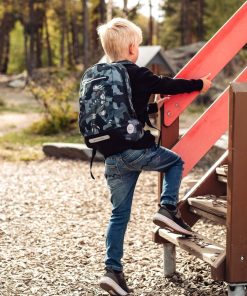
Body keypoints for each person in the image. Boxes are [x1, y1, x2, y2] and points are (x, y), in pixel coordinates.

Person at [95, 18, 211, 296]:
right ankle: (167, 208)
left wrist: (150, 108)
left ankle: (112, 272)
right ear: (133, 48)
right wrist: (200, 83)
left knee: (118, 215)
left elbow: (123, 109)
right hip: (136, 150)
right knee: (175, 161)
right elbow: (167, 84)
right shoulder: (136, 72)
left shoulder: (102, 75)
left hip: (110, 155)